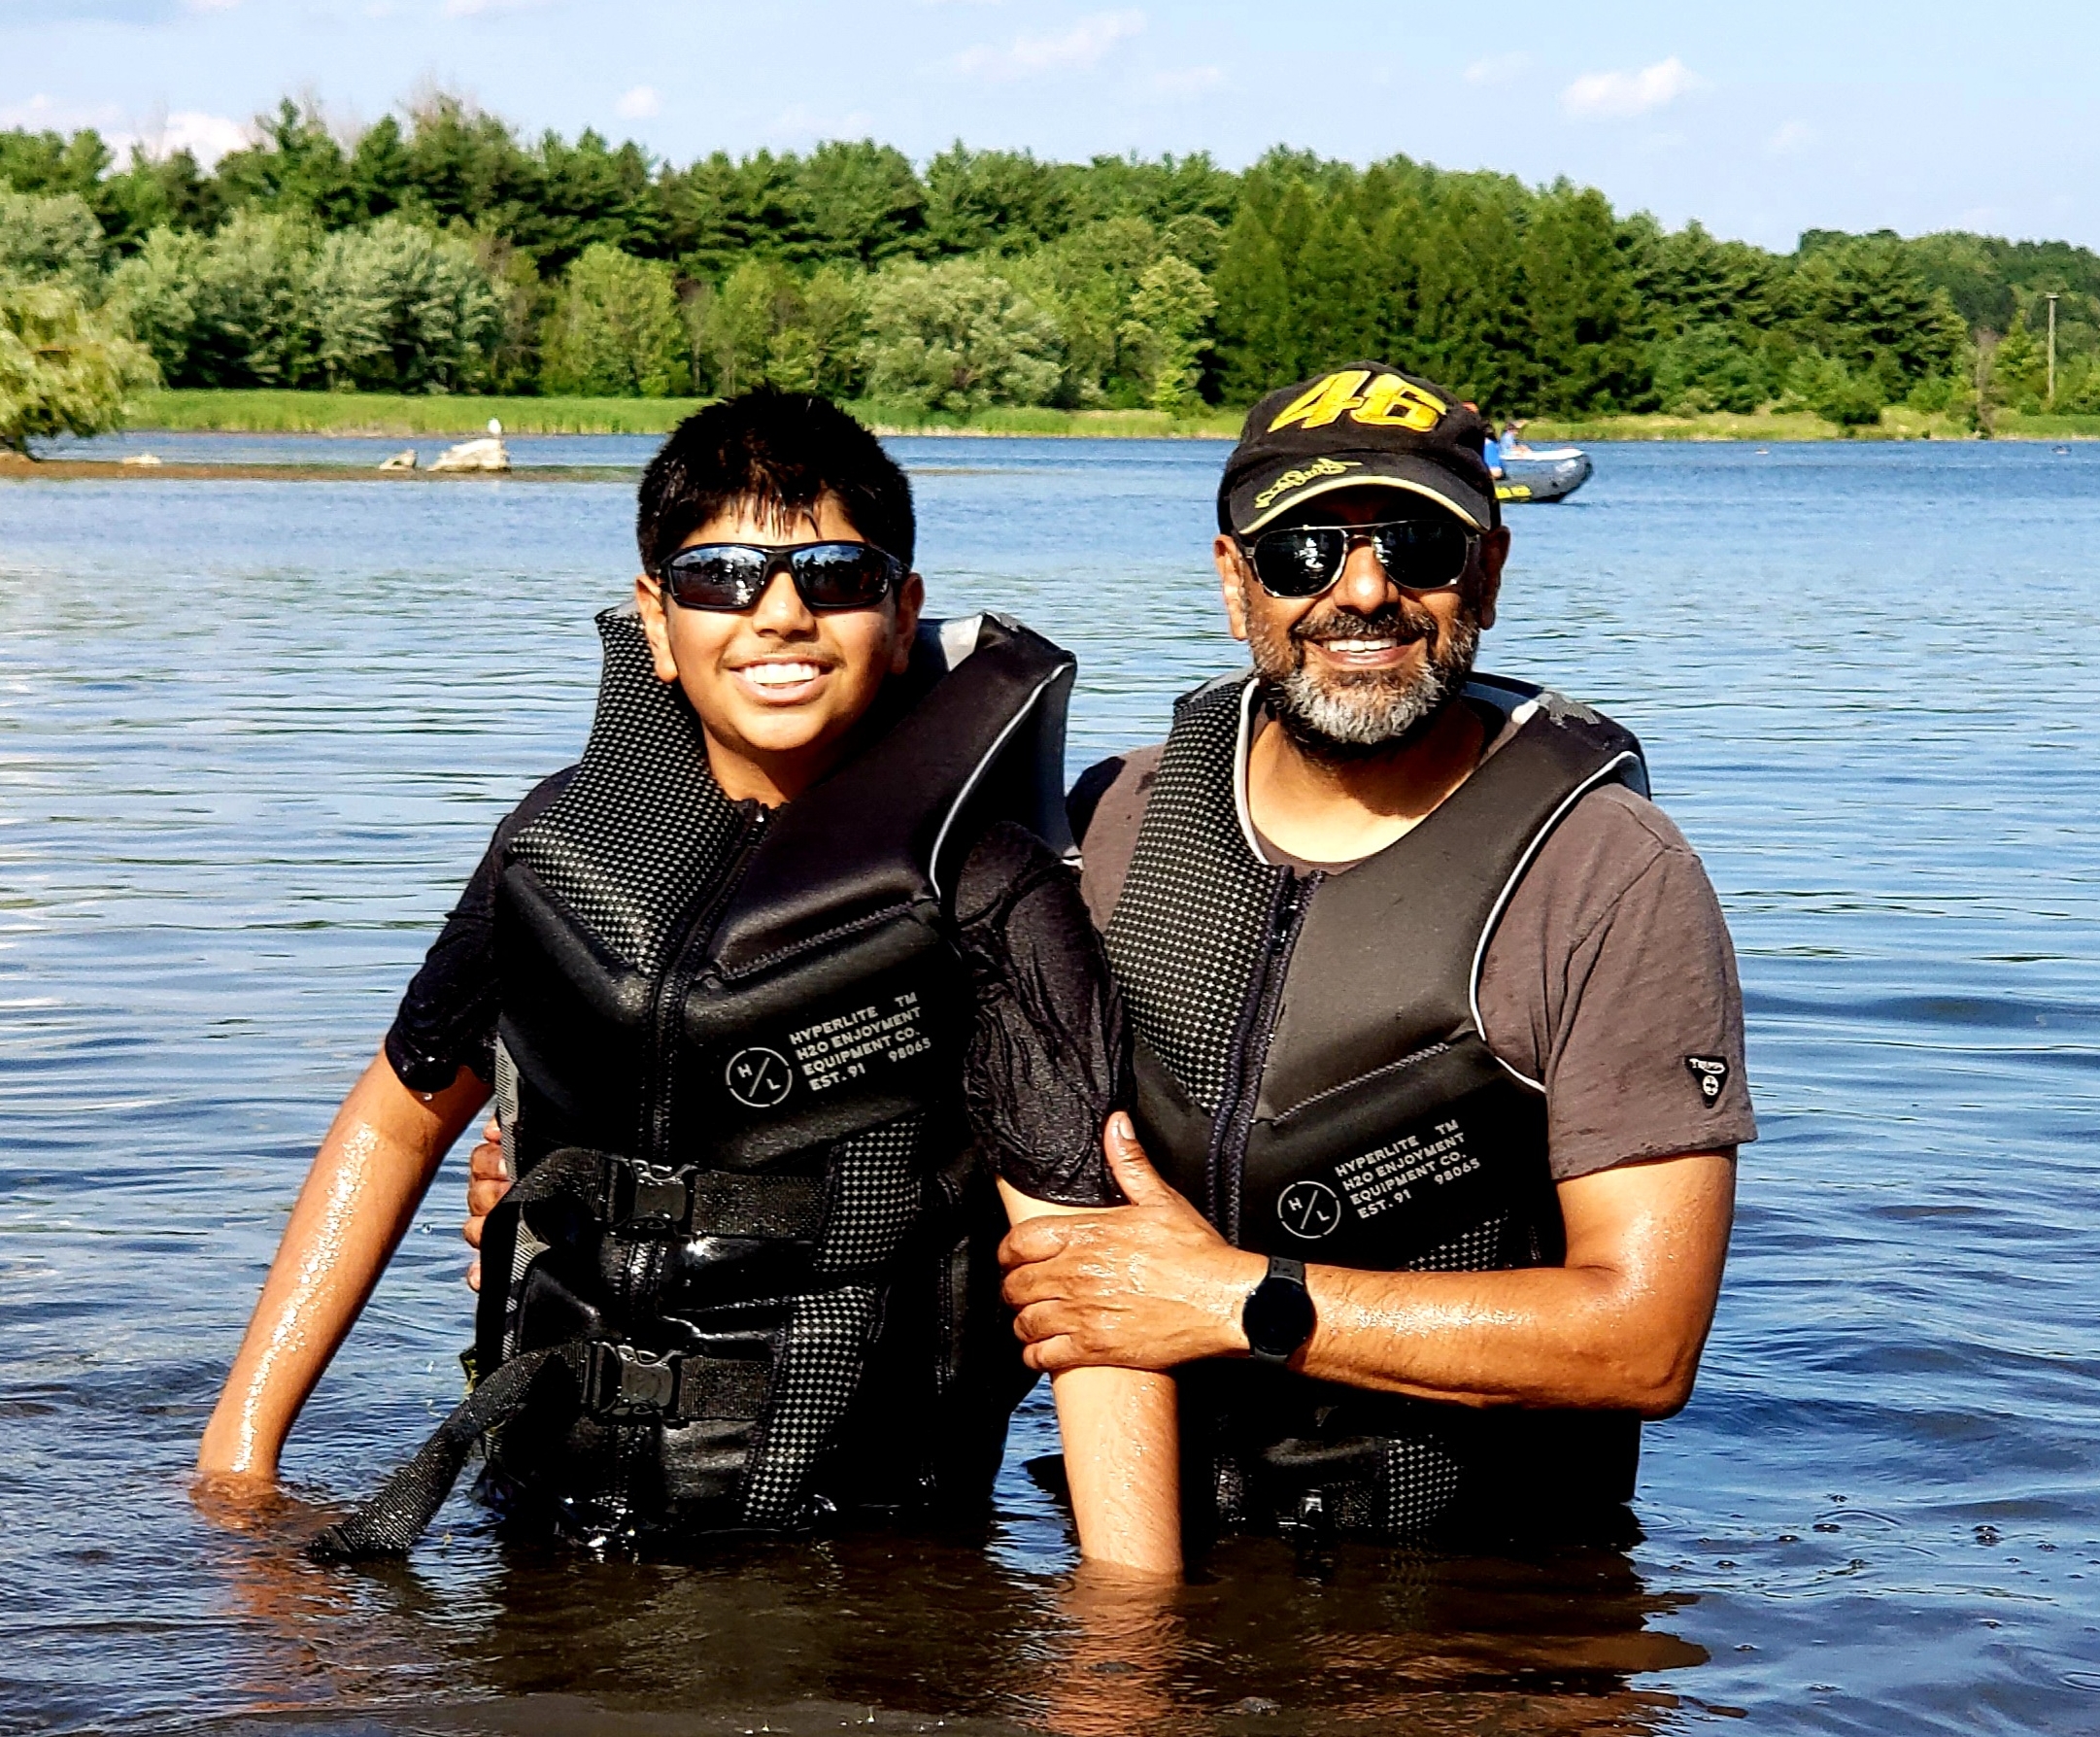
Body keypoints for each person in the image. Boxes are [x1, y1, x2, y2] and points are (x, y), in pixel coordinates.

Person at [200, 391, 1178, 1575]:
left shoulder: (984, 887)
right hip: (542, 1521)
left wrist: (1127, 1634)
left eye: (833, 575)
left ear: (902, 607)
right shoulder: (555, 845)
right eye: (719, 578)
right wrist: (239, 1469)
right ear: (655, 622)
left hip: (858, 1556)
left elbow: (1081, 1270)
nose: (778, 616)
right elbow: (396, 1117)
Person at [1001, 361, 1749, 1549]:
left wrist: (1234, 1303)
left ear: (1487, 576)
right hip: (1150, 1545)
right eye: (1302, 550)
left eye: (1416, 546)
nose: (1362, 592)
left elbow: (1642, 1339)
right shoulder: (1117, 825)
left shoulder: (1609, 874)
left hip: (1479, 1603)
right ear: (1231, 580)